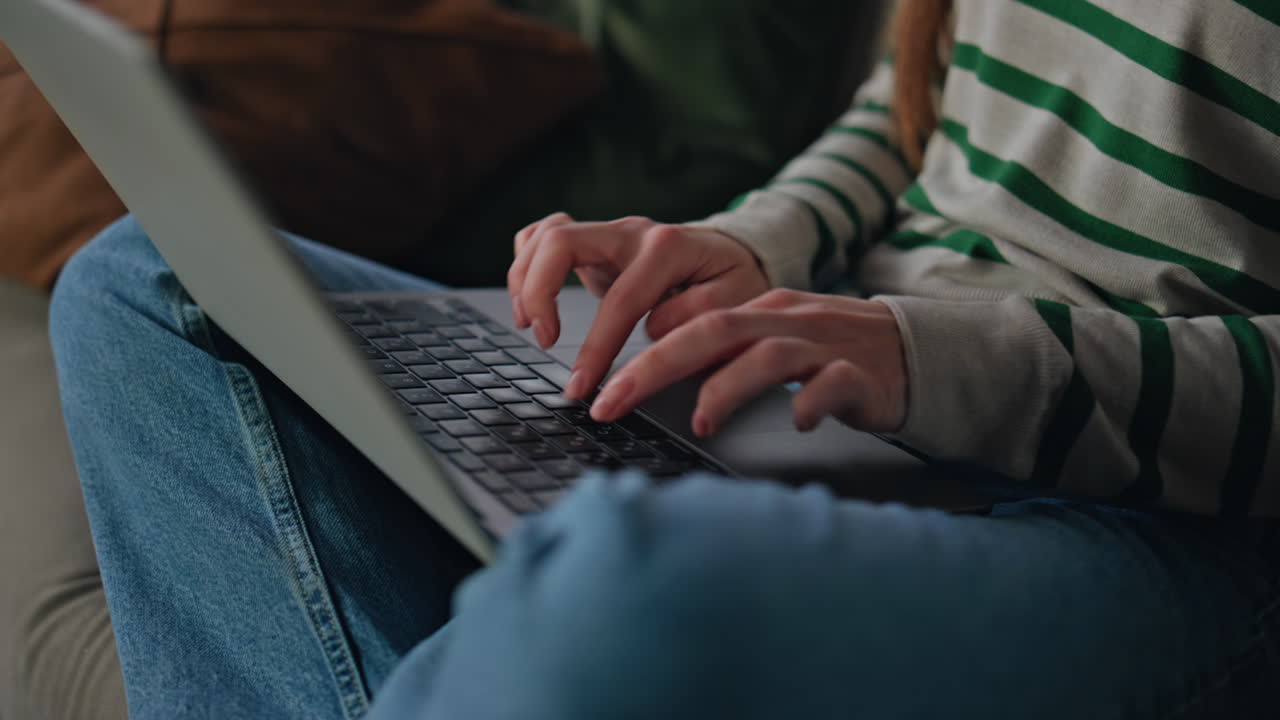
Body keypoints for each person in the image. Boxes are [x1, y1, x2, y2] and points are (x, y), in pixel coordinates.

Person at [49, 0, 1280, 717]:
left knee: (627, 577)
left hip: (1154, 510)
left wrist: (949, 363)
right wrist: (749, 243)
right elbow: (917, 110)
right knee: (146, 282)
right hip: (837, 380)